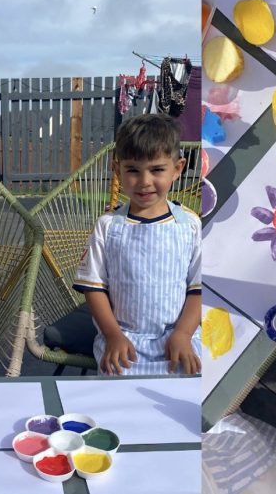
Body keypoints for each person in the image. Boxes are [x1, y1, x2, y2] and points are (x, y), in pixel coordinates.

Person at [73, 114, 202, 375]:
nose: (144, 181)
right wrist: (112, 335)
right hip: (123, 339)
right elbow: (94, 289)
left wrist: (183, 333)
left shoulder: (189, 225)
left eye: (156, 170)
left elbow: (198, 289)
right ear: (117, 168)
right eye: (133, 170)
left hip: (180, 336)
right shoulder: (108, 226)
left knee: (190, 388)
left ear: (177, 169)